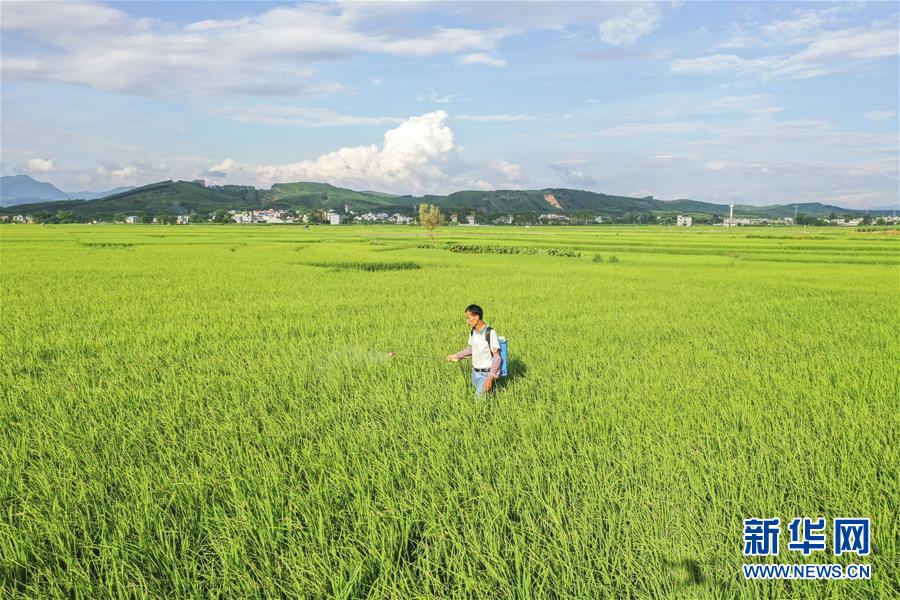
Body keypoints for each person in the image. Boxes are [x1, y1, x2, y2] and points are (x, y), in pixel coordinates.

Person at [446, 304, 501, 396]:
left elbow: (497, 357)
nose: (467, 321)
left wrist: (490, 378)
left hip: (486, 374)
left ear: (476, 317)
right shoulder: (472, 332)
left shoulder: (490, 332)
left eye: (468, 318)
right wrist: (455, 356)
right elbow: (471, 349)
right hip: (475, 373)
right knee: (485, 397)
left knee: (478, 401)